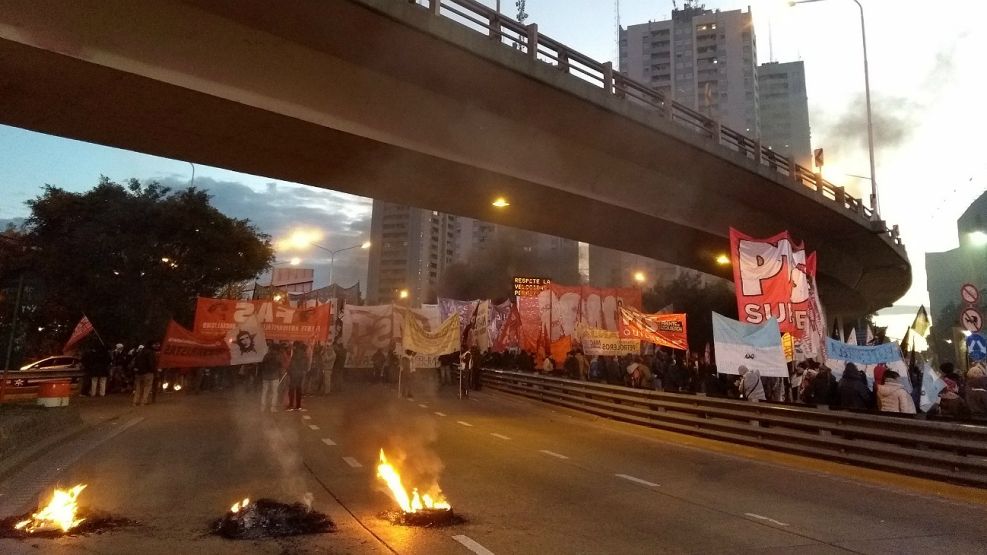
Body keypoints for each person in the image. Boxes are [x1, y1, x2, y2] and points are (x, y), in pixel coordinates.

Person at [259, 343, 281, 413]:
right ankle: (272, 408)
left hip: (265, 376)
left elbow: (262, 365)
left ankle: (262, 407)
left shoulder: (266, 356)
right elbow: (280, 365)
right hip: (274, 376)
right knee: (274, 392)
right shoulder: (278, 356)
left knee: (264, 391)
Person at [287, 342, 308, 411]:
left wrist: (289, 370)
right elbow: (305, 365)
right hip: (300, 374)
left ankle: (291, 405)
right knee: (299, 390)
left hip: (294, 374)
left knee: (292, 390)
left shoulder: (296, 354)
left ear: (296, 346)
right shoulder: (304, 354)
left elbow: (292, 364)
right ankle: (298, 406)